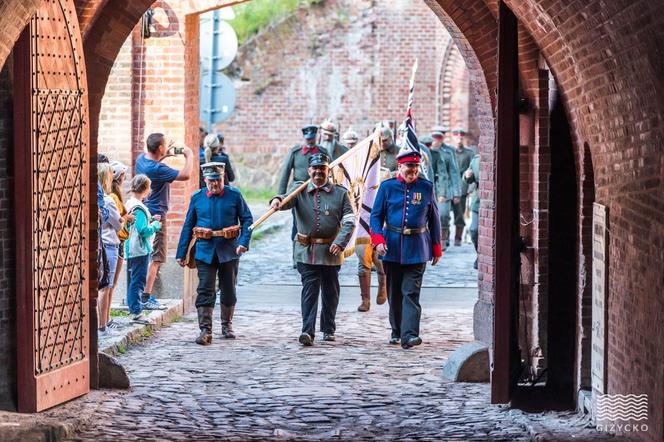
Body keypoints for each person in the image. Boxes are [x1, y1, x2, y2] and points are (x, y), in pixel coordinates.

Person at [270, 153, 355, 346]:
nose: (318, 172)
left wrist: (341, 242)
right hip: (306, 251)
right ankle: (307, 331)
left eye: (322, 169)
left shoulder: (340, 193)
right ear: (309, 171)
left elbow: (350, 220)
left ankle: (328, 328)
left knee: (330, 291)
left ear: (328, 170)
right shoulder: (299, 190)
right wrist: (276, 200)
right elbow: (284, 200)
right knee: (309, 290)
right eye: (315, 169)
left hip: (331, 251)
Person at [370, 147, 442, 349]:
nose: (413, 171)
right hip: (391, 246)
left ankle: (409, 335)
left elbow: (434, 219)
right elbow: (376, 216)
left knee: (411, 292)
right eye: (409, 167)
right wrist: (378, 239)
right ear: (399, 166)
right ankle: (397, 330)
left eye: (416, 167)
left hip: (418, 247)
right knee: (394, 293)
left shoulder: (426, 188)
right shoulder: (387, 187)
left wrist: (436, 248)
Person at [176, 162, 253, 345]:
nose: (215, 184)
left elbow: (247, 219)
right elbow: (188, 225)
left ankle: (227, 325)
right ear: (205, 180)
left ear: (223, 177)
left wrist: (243, 243)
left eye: (218, 180)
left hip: (229, 250)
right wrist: (181, 252)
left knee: (228, 288)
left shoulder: (234, 195)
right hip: (205, 250)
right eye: (211, 181)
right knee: (205, 289)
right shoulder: (197, 197)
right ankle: (205, 330)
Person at [135, 133, 193, 308]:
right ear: (159, 148)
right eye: (164, 145)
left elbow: (155, 163)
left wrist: (164, 154)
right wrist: (189, 155)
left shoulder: (141, 160)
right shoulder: (158, 170)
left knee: (146, 253)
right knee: (157, 256)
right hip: (157, 215)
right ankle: (145, 296)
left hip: (145, 212)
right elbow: (185, 175)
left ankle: (139, 293)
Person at [277, 125, 330, 267]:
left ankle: (319, 254)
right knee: (298, 224)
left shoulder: (322, 152)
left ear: (315, 138)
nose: (310, 142)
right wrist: (281, 196)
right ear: (304, 138)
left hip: (319, 191)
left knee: (319, 222)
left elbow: (330, 169)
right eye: (308, 139)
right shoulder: (295, 152)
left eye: (312, 139)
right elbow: (285, 173)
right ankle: (297, 256)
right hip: (299, 192)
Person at [124, 175, 162, 324]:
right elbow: (143, 230)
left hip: (132, 248)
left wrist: (151, 220)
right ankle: (136, 311)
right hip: (138, 249)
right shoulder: (139, 207)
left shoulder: (130, 203)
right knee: (138, 281)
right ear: (146, 189)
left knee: (134, 280)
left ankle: (134, 307)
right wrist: (155, 226)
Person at [104, 160, 134, 330]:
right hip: (116, 241)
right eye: (123, 175)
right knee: (110, 285)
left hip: (117, 241)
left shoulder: (114, 195)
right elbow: (118, 221)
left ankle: (106, 318)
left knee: (110, 285)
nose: (125, 178)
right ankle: (106, 319)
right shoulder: (113, 197)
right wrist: (127, 218)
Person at [97, 163, 123, 334]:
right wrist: (123, 221)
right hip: (110, 245)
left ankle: (102, 324)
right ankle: (102, 324)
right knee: (106, 287)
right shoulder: (108, 201)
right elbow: (118, 225)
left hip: (101, 243)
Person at [429, 126, 461, 251]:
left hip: (444, 187)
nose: (436, 141)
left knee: (443, 215)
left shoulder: (449, 151)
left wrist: (456, 192)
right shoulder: (426, 151)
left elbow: (454, 172)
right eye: (435, 138)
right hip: (431, 185)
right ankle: (432, 239)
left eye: (439, 138)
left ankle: (443, 239)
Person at [450, 128, 475, 246]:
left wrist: (470, 187)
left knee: (459, 213)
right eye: (457, 137)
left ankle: (458, 237)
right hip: (448, 186)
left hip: (462, 187)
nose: (459, 140)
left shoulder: (469, 153)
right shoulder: (448, 151)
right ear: (453, 138)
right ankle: (443, 237)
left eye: (461, 138)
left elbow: (471, 169)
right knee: (442, 213)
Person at [463, 154, 481, 269]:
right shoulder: (476, 159)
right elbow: (468, 178)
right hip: (478, 201)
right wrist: (467, 176)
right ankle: (480, 254)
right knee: (474, 230)